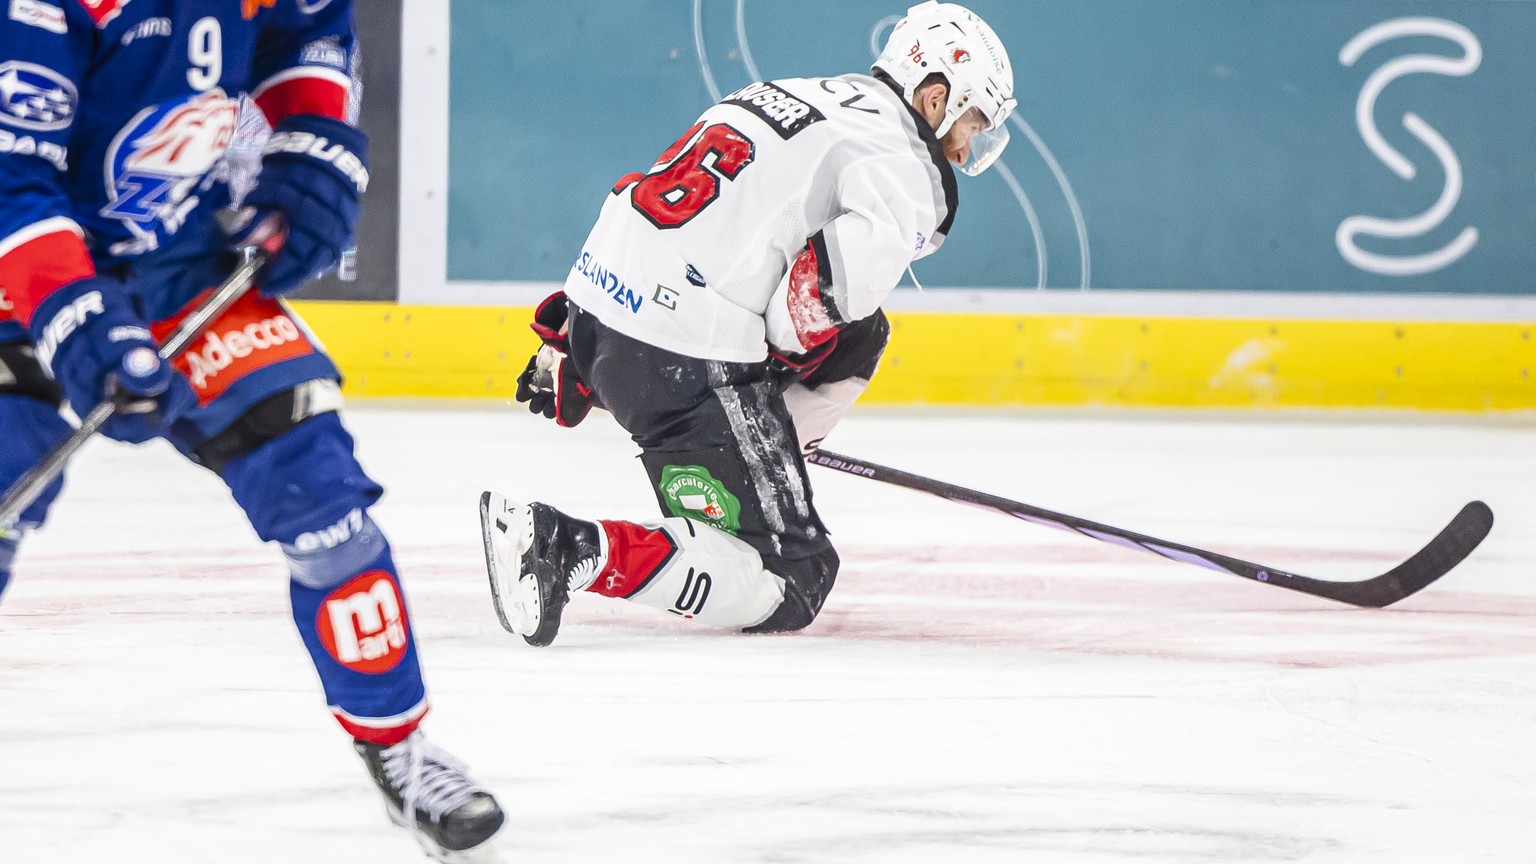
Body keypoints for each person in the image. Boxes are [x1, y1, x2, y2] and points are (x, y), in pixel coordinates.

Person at [0, 2, 503, 859]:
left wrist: (309, 158)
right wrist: (82, 319)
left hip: (182, 268)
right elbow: (11, 182)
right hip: (28, 277)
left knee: (322, 497)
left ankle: (399, 744)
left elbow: (308, 34)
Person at [480, 1, 1015, 647]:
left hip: (595, 312)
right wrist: (759, 420)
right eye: (969, 122)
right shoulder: (904, 163)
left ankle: (663, 409)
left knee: (860, 333)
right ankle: (569, 546)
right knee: (792, 578)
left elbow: (680, 215)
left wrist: (581, 345)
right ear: (934, 97)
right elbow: (809, 302)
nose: (962, 149)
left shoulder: (789, 91)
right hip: (675, 361)